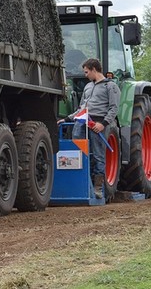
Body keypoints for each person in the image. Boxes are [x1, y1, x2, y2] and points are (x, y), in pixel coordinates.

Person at [57, 58, 120, 198]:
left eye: (86, 72)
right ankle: (78, 183)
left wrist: (102, 124)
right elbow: (81, 108)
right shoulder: (87, 87)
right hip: (81, 123)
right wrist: (67, 119)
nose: (85, 75)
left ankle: (98, 188)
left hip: (97, 123)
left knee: (98, 154)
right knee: (76, 152)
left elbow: (114, 108)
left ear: (94, 70)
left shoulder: (110, 86)